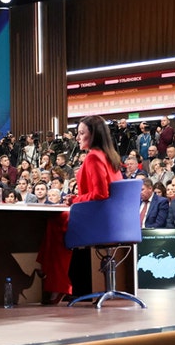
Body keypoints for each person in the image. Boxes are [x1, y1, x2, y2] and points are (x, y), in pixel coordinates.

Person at [35, 116, 123, 304]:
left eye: (82, 133)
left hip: (98, 219)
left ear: (94, 135)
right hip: (114, 220)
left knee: (56, 221)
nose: (77, 137)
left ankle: (56, 283)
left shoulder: (93, 157)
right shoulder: (111, 157)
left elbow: (100, 194)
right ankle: (47, 272)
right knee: (59, 220)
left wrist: (75, 199)